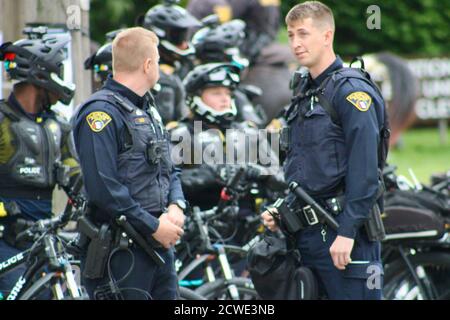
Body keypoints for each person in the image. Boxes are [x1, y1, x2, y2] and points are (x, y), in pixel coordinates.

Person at [261, 1, 388, 300]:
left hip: (345, 237)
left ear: (327, 35)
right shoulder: (305, 92)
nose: (295, 43)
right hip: (308, 240)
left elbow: (365, 169)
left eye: (303, 34)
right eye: (291, 35)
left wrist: (346, 232)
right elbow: (306, 166)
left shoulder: (351, 91)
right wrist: (283, 209)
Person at [72, 27, 186, 300]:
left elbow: (169, 167)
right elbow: (104, 188)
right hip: (121, 253)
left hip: (158, 248)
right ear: (148, 65)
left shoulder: (148, 109)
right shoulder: (100, 113)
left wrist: (176, 205)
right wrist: (154, 226)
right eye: (157, 61)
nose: (159, 67)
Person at [0, 29, 78, 296]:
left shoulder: (59, 126)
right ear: (41, 74)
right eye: (59, 70)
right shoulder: (2, 121)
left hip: (45, 238)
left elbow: (77, 176)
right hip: (5, 239)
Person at [170, 62, 284, 232]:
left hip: (251, 230)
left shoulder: (249, 132)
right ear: (195, 97)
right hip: (200, 231)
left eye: (228, 93)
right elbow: (166, 183)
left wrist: (258, 172)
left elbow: (281, 178)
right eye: (216, 93)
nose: (225, 99)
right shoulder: (179, 134)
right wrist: (213, 173)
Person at [142, 1, 201, 124]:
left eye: (185, 36)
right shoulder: (153, 74)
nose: (184, 44)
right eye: (178, 37)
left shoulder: (184, 66)